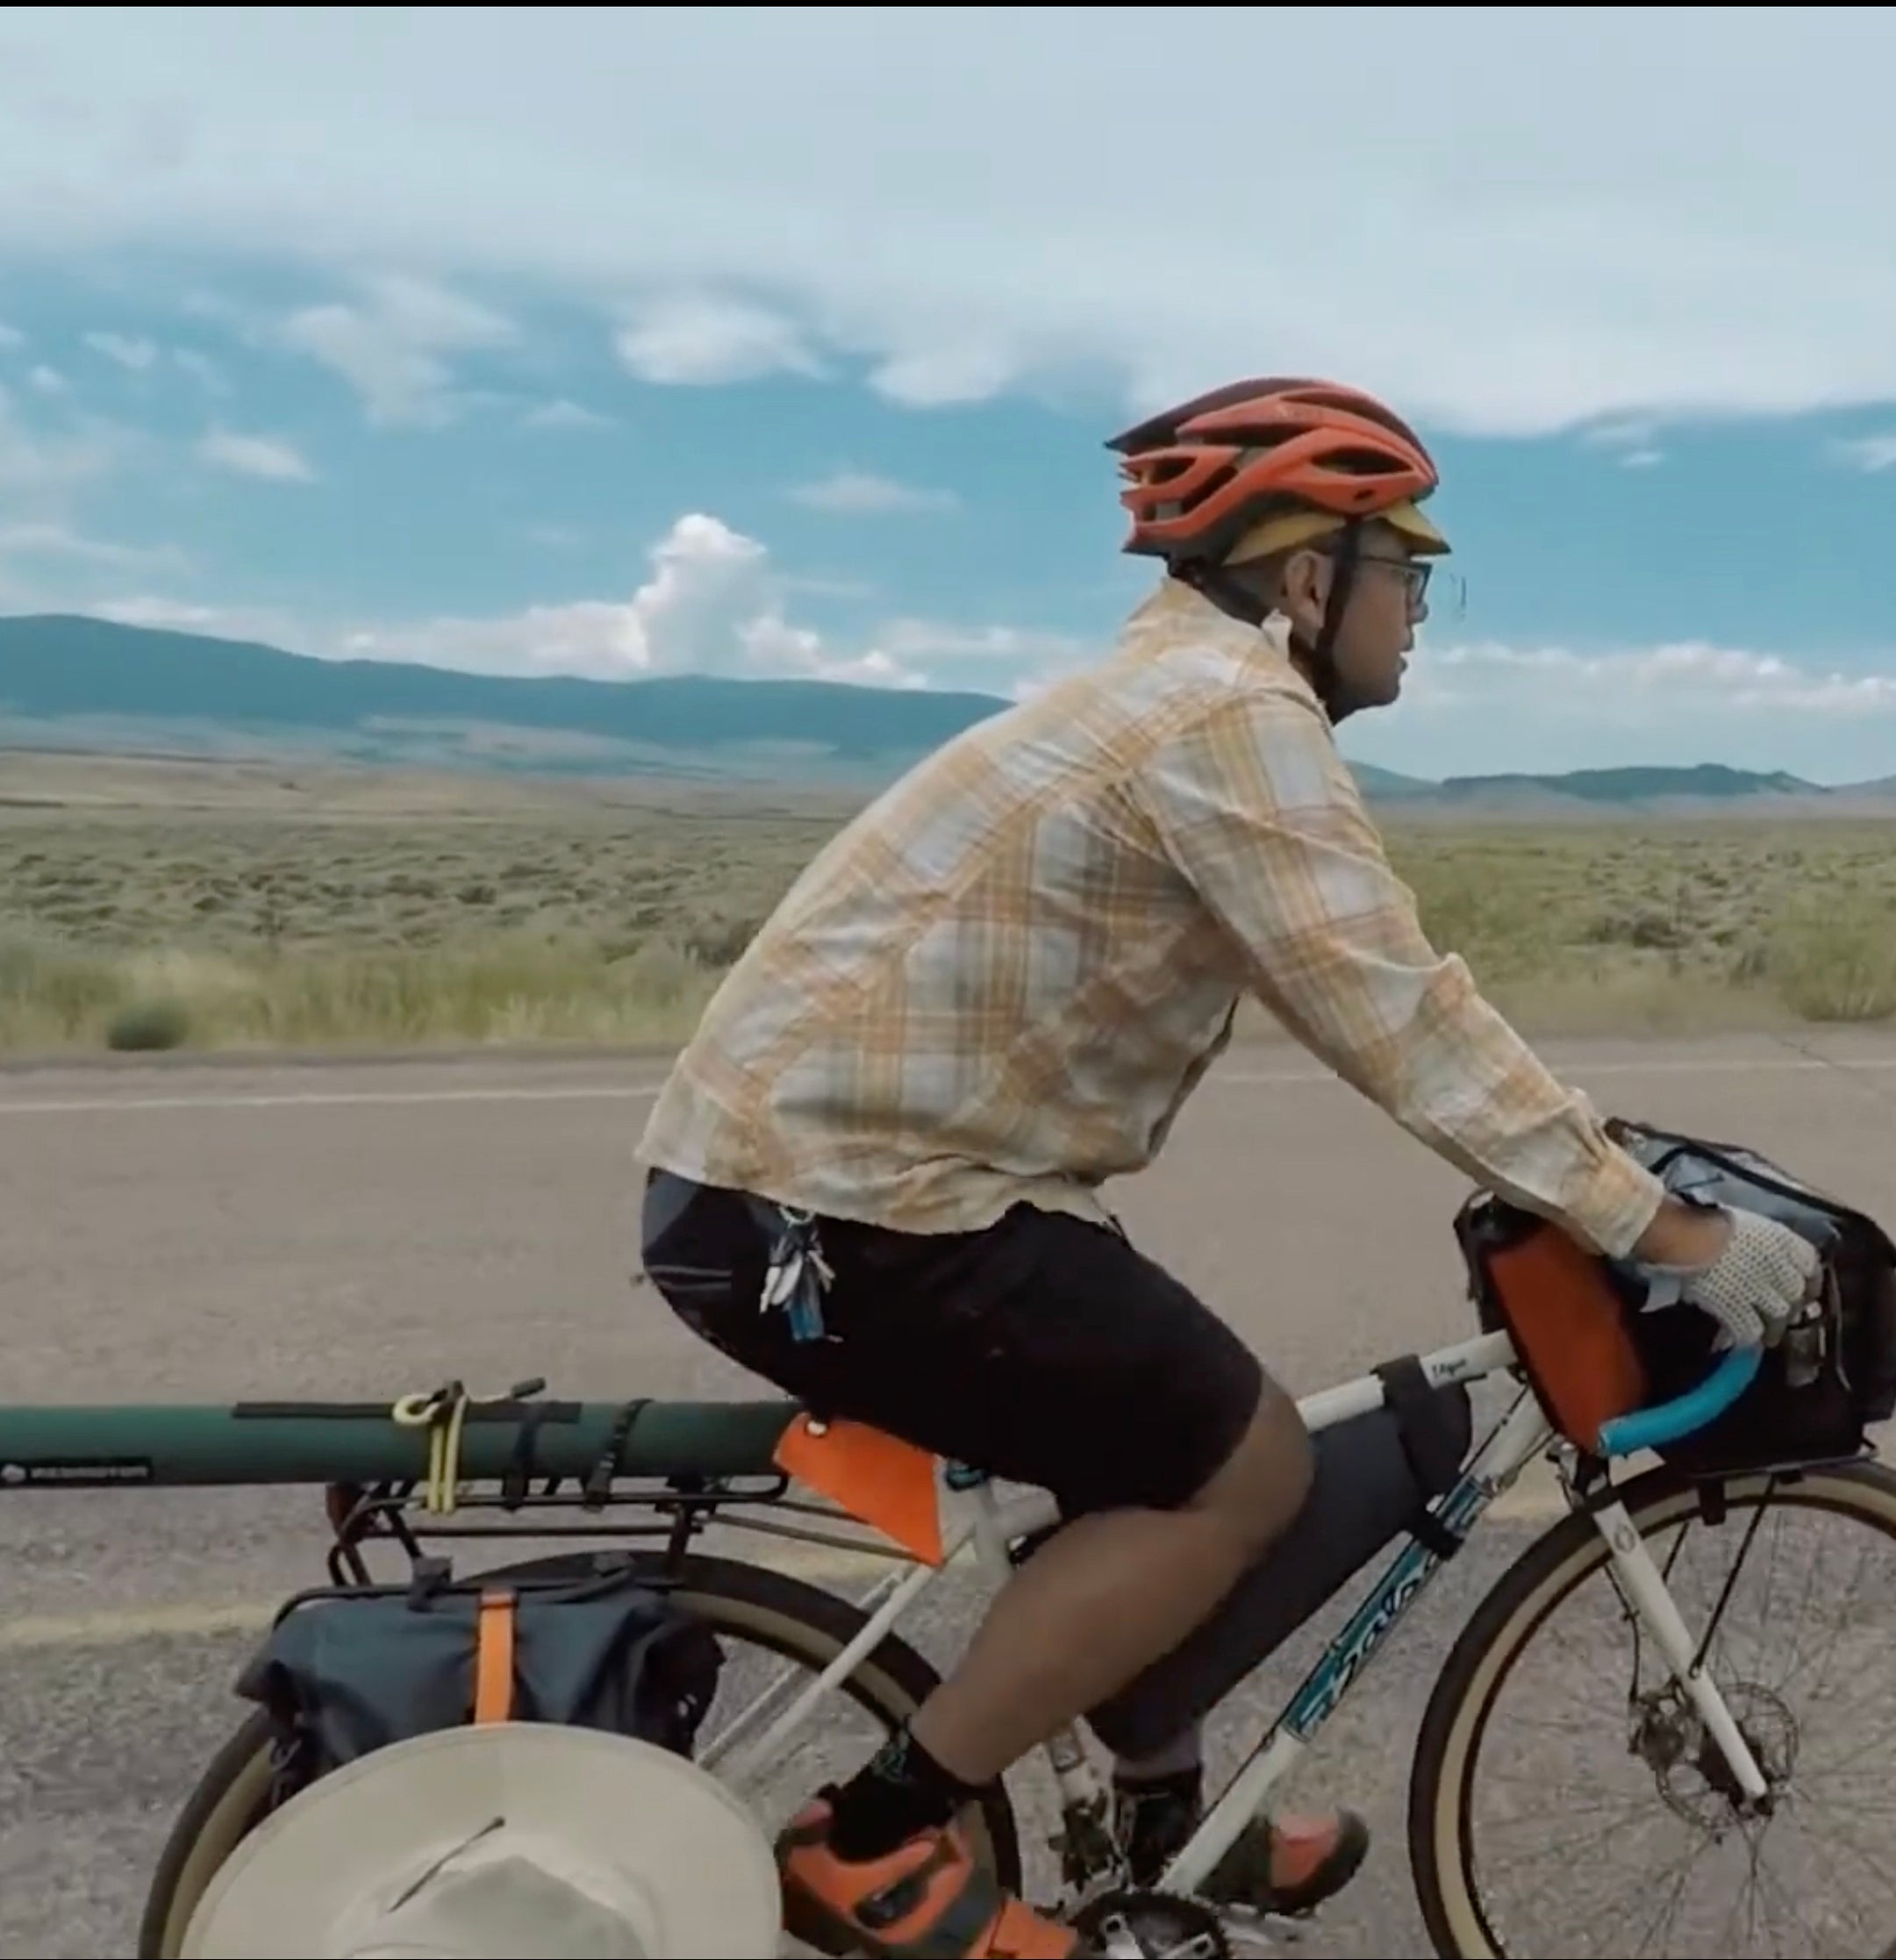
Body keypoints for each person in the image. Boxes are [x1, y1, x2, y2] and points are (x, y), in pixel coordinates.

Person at [632, 376, 1823, 1958]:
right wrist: (1660, 1224)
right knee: (1243, 1461)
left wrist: (1579, 1166)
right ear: (1306, 575)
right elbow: (1400, 1018)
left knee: (1159, 1422)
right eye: (1405, 570)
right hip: (846, 1212)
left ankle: (1167, 1813)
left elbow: (1384, 1007)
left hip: (836, 1189)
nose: (1418, 611)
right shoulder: (1230, 720)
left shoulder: (1174, 696)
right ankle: (876, 1838)